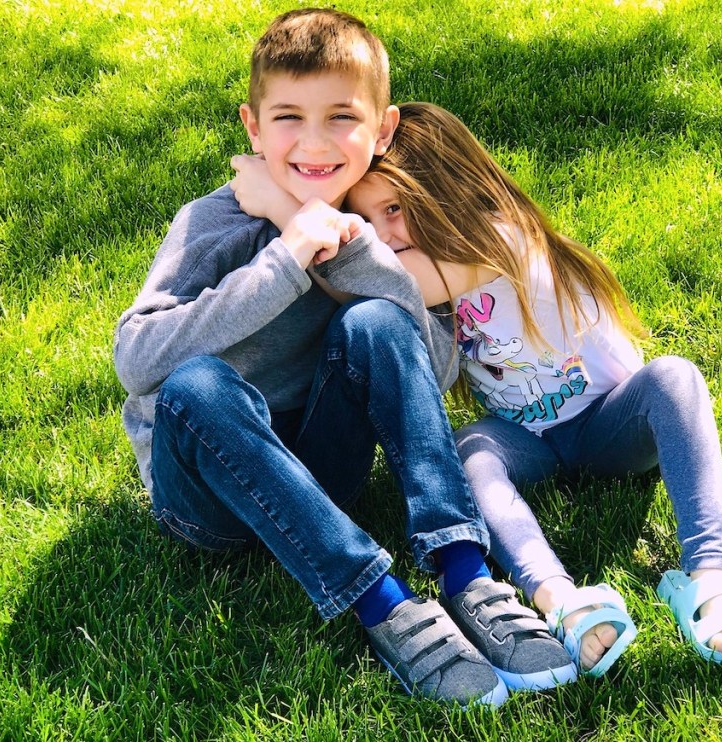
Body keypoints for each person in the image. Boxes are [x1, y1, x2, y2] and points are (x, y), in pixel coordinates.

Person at [113, 11, 575, 708]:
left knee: (378, 319)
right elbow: (136, 359)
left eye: (341, 117)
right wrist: (288, 250)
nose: (315, 142)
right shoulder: (212, 221)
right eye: (289, 118)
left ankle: (465, 572)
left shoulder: (373, 228)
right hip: (206, 497)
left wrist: (343, 242)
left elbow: (431, 363)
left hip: (324, 472)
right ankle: (384, 604)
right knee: (198, 384)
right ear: (252, 125)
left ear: (382, 130)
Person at [342, 101, 722, 676]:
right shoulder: (421, 271)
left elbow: (385, 279)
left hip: (609, 422)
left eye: (394, 210)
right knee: (469, 450)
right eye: (366, 222)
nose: (382, 238)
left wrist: (306, 235)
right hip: (524, 437)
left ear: (447, 192)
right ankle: (559, 600)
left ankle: (710, 577)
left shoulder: (500, 239)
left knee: (675, 377)